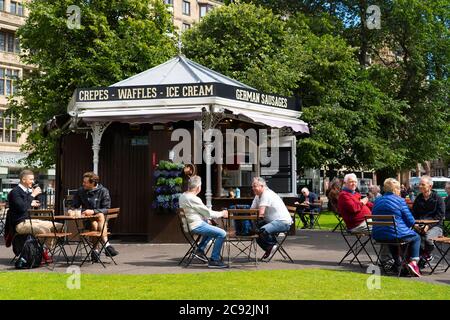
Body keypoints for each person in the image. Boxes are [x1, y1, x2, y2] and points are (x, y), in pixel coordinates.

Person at [8, 169, 62, 262]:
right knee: (44, 230)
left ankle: (44, 250)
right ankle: (41, 253)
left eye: (33, 179)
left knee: (58, 226)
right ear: (23, 180)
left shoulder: (27, 192)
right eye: (31, 179)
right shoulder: (15, 192)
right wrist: (32, 195)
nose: (33, 182)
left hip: (30, 220)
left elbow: (34, 203)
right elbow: (22, 208)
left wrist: (35, 197)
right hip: (20, 223)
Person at [371, 178, 422, 277]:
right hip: (396, 234)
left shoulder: (377, 201)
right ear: (395, 190)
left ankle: (398, 263)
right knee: (416, 237)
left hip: (378, 235)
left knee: (392, 237)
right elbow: (411, 221)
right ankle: (414, 262)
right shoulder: (400, 201)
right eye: (398, 189)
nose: (400, 191)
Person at [178, 175, 228, 268]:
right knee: (222, 233)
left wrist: (205, 219)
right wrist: (222, 213)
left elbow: (195, 212)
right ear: (198, 188)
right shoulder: (193, 198)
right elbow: (208, 213)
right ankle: (214, 260)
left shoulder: (183, 196)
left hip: (191, 224)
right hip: (196, 225)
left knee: (214, 229)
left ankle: (200, 250)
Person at [71, 171, 119, 262]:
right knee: (95, 220)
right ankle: (107, 245)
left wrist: (93, 211)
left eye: (85, 182)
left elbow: (106, 208)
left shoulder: (103, 191)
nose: (83, 184)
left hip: (102, 221)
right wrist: (72, 210)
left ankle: (95, 251)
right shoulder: (81, 191)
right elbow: (74, 205)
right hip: (87, 221)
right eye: (83, 182)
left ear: (93, 183)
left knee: (98, 219)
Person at [250, 177, 292, 261]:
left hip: (283, 222)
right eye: (252, 186)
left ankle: (272, 245)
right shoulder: (257, 196)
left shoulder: (266, 194)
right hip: (271, 222)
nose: (253, 188)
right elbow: (252, 210)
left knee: (261, 231)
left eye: (255, 186)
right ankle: (270, 247)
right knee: (253, 232)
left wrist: (251, 217)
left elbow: (261, 213)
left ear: (262, 186)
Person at [412, 175, 445, 266]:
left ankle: (426, 255)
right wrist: (415, 225)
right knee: (410, 236)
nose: (420, 186)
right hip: (419, 225)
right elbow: (413, 214)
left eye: (423, 184)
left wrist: (428, 226)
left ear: (430, 186)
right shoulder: (418, 198)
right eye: (419, 184)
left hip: (436, 227)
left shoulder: (438, 199)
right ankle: (420, 257)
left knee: (427, 238)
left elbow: (440, 216)